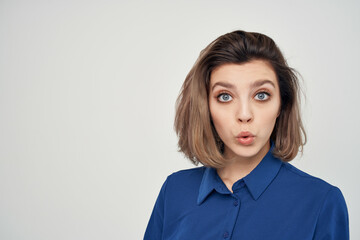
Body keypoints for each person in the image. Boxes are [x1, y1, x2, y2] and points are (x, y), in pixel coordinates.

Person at [144, 30, 349, 240]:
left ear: (281, 104)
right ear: (206, 107)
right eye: (225, 96)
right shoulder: (174, 191)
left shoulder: (321, 202)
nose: (244, 115)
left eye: (261, 95)